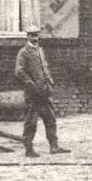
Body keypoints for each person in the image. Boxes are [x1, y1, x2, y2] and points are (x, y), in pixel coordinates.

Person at [15, 26, 68, 157]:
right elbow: (19, 72)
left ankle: (54, 146)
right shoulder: (23, 52)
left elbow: (46, 68)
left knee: (50, 119)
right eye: (32, 35)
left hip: (44, 92)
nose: (35, 38)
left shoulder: (40, 50)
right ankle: (29, 149)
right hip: (33, 94)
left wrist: (50, 81)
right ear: (27, 36)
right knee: (31, 122)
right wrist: (32, 86)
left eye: (36, 35)